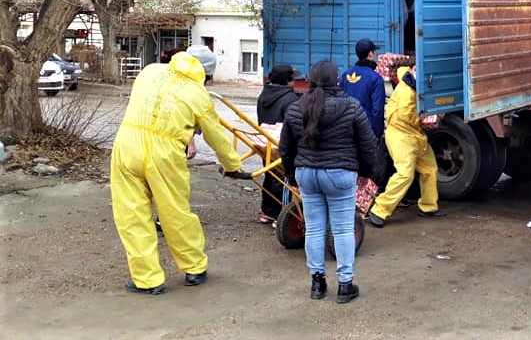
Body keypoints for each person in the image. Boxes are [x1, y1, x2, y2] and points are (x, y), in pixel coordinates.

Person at [111, 51, 251, 296]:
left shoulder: (150, 71)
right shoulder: (199, 95)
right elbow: (214, 134)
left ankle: (147, 279)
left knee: (132, 215)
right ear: (205, 73)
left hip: (127, 144)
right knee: (175, 212)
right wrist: (232, 165)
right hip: (165, 152)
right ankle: (194, 268)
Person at [279, 60, 378, 303]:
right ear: (337, 80)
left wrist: (292, 175)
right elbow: (368, 145)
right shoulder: (352, 107)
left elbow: (285, 148)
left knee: (314, 229)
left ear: (310, 80)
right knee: (343, 228)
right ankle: (345, 285)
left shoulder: (295, 107)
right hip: (340, 173)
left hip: (307, 174)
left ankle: (317, 283)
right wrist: (366, 173)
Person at [367, 64, 445, 228]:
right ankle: (379, 210)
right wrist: (431, 118)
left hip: (414, 135)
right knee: (405, 174)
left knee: (429, 169)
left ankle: (428, 206)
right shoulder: (406, 94)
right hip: (400, 136)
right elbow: (409, 118)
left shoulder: (412, 85)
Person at [256, 63, 300, 225]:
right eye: (292, 78)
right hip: (282, 145)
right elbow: (293, 126)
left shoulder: (263, 95)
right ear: (287, 81)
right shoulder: (290, 99)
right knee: (284, 179)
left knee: (270, 175)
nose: (295, 81)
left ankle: (268, 211)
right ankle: (283, 214)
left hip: (265, 143)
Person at [340, 38, 385, 140]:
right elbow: (377, 111)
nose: (376, 55)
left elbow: (339, 102)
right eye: (375, 52)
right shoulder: (376, 79)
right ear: (370, 54)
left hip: (346, 130)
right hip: (367, 132)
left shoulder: (345, 75)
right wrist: (377, 135)